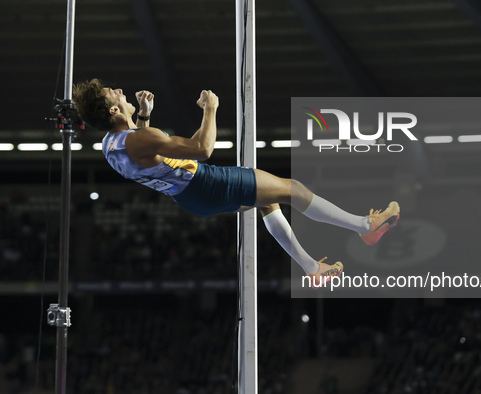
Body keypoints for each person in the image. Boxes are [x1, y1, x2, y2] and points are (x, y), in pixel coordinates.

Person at [73, 79, 400, 288]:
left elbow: (148, 152)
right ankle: (364, 226)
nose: (118, 89)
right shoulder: (140, 140)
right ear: (114, 109)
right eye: (112, 92)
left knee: (269, 201)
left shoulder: (110, 145)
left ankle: (311, 267)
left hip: (190, 198)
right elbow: (203, 149)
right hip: (207, 182)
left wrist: (143, 116)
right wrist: (211, 110)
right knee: (293, 190)